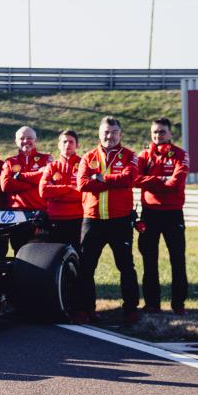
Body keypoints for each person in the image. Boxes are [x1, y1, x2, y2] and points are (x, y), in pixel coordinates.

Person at [76, 116, 140, 325]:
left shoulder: (130, 155)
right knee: (86, 267)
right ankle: (87, 310)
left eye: (113, 132)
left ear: (120, 134)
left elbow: (129, 179)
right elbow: (83, 184)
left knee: (126, 267)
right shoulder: (88, 157)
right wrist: (112, 181)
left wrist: (101, 178)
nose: (109, 136)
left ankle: (130, 310)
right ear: (99, 133)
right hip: (92, 220)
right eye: (105, 132)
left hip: (120, 221)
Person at [137, 117, 190, 315]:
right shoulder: (144, 155)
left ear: (170, 134)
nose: (158, 135)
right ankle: (152, 304)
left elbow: (175, 183)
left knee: (177, 259)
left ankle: (179, 304)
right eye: (155, 132)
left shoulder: (180, 155)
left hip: (173, 214)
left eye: (162, 132)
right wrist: (160, 180)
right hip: (149, 214)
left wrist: (149, 181)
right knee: (149, 259)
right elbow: (135, 178)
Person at [1, 126, 52, 252]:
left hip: (41, 215)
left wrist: (20, 178)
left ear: (36, 140)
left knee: (41, 254)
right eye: (22, 138)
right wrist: (34, 182)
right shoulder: (10, 162)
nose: (25, 141)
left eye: (29, 138)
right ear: (16, 141)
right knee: (20, 253)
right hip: (17, 216)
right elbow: (6, 185)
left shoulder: (46, 159)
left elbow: (48, 179)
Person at [39, 130, 83, 250]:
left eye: (71, 142)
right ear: (59, 145)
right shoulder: (52, 166)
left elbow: (83, 193)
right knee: (56, 258)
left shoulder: (84, 165)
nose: (67, 144)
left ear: (77, 145)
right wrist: (69, 188)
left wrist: (56, 192)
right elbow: (43, 191)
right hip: (55, 219)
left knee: (79, 257)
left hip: (77, 219)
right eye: (64, 141)